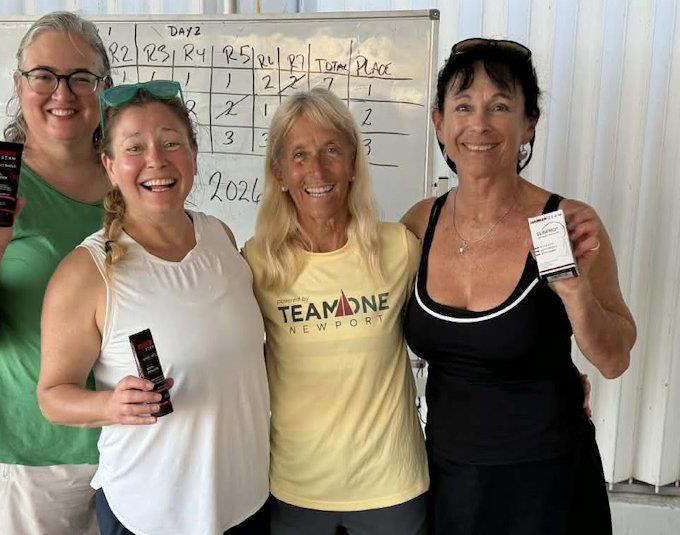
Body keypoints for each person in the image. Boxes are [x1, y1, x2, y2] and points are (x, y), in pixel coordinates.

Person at [402, 38, 637, 534]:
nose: (480, 124)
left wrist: (575, 292)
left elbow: (614, 359)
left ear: (529, 123)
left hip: (548, 484)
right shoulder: (420, 224)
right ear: (439, 124)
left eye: (501, 107)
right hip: (448, 480)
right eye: (463, 107)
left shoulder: (568, 223)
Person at [37, 80, 271, 535]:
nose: (156, 162)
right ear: (109, 165)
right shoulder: (87, 272)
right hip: (151, 512)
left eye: (170, 144)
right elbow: (52, 397)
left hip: (245, 501)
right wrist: (111, 404)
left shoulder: (220, 237)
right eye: (134, 148)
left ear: (194, 155)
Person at [0, 12, 111, 534]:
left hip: (129, 438)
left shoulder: (132, 178)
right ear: (18, 84)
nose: (63, 92)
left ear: (103, 88)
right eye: (44, 75)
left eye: (81, 77)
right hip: (34, 451)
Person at [242, 87, 429, 535]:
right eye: (299, 155)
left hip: (392, 485)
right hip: (297, 485)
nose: (317, 170)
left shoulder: (398, 248)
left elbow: (459, 320)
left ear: (352, 164)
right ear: (280, 173)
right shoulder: (257, 261)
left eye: (331, 151)